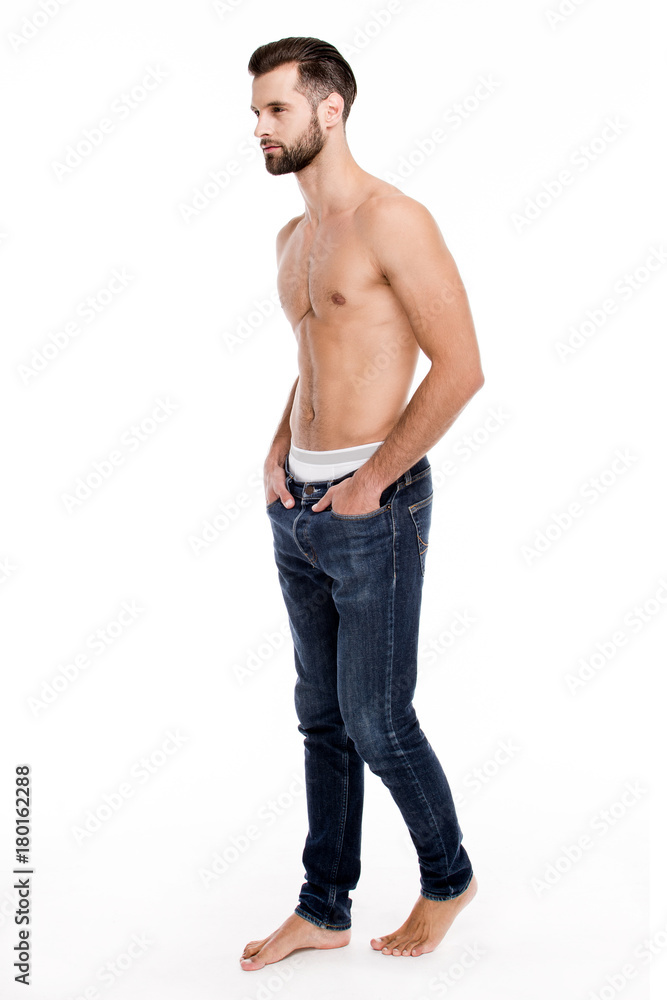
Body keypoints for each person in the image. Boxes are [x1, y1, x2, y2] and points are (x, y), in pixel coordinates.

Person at [241, 36, 484, 972]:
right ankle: (323, 905)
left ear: (329, 110)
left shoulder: (395, 220)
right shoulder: (292, 237)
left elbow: (460, 368)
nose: (259, 129)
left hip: (372, 509)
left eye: (276, 111)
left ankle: (448, 878)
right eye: (255, 113)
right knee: (321, 718)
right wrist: (275, 452)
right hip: (296, 505)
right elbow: (313, 359)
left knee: (378, 718)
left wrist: (372, 481)